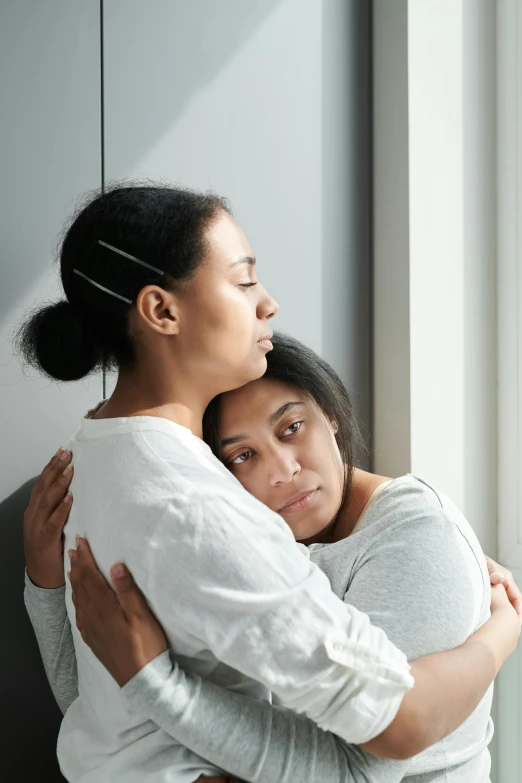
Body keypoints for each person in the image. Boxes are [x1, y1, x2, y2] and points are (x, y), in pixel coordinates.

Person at [20, 186, 520, 783]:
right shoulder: (206, 514)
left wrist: (48, 588)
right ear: (162, 311)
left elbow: (100, 719)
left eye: (292, 426)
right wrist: (503, 631)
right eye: (244, 280)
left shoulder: (90, 461)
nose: (269, 304)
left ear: (327, 413)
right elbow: (376, 754)